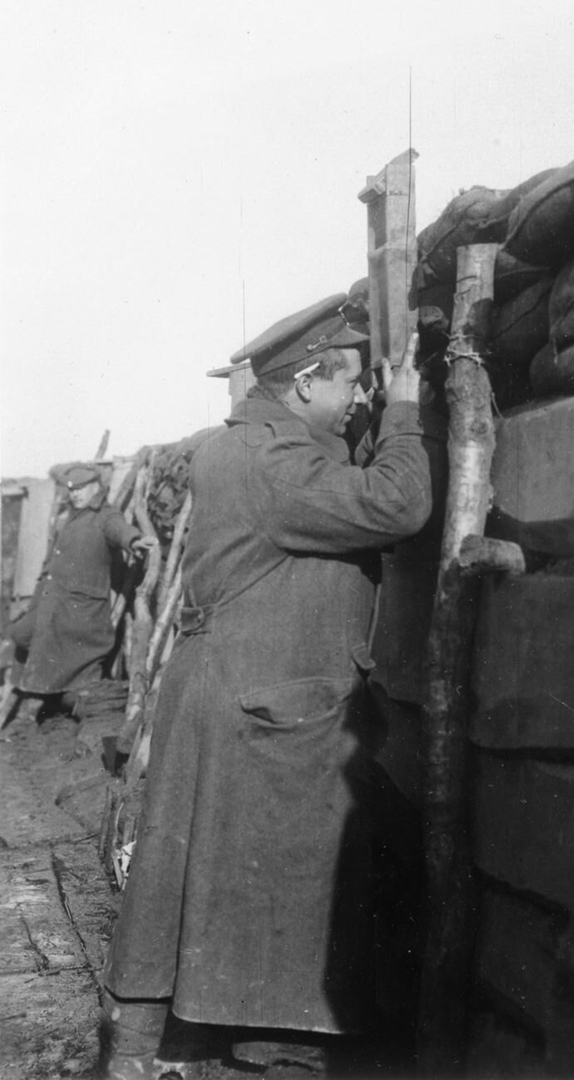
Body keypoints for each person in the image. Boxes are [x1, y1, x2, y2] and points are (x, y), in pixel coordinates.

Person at [100, 294, 436, 1079]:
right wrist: (405, 415)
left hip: (248, 688)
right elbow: (398, 504)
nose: (359, 395)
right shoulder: (275, 462)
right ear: (307, 381)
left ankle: (224, 1031)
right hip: (265, 700)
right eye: (350, 380)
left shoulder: (249, 443)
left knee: (223, 871)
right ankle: (175, 1043)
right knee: (284, 865)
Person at [4, 464, 156, 726]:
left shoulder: (105, 515)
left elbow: (119, 529)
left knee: (52, 644)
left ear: (96, 486)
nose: (75, 494)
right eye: (72, 490)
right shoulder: (70, 518)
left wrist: (134, 540)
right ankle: (37, 694)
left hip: (81, 611)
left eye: (81, 489)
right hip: (52, 602)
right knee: (22, 633)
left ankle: (32, 706)